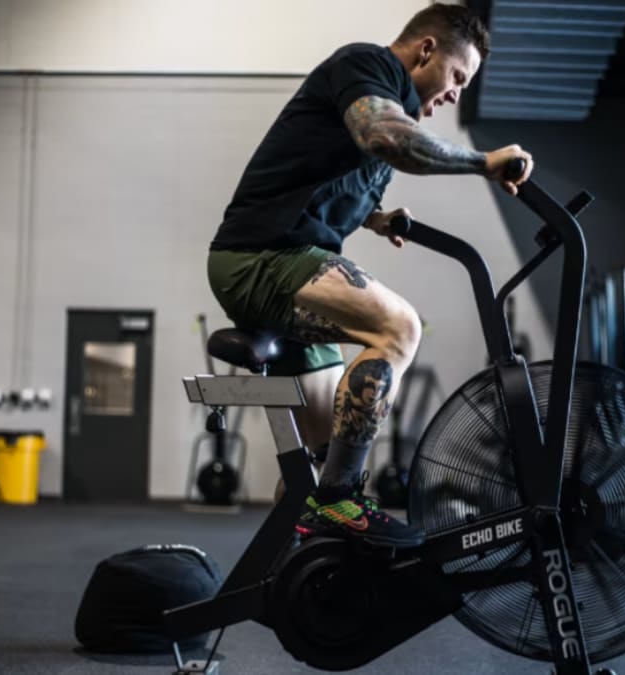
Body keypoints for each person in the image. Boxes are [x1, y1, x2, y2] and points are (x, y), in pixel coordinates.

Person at [207, 3, 533, 549]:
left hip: (283, 266)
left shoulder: (390, 106)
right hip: (257, 258)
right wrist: (483, 162)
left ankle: (298, 564)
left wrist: (377, 218)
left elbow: (330, 177)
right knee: (399, 328)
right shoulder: (365, 66)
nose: (456, 95)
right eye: (458, 77)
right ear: (426, 50)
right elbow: (386, 137)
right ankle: (340, 501)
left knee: (316, 461)